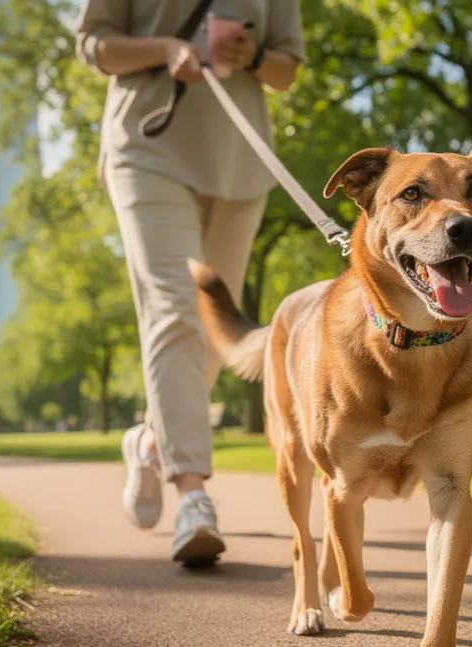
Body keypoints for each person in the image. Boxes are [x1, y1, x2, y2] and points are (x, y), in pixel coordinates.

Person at [75, 0, 304, 563]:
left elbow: (287, 69)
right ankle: (194, 496)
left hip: (240, 161)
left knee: (214, 328)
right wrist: (165, 48)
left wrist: (252, 56)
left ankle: (152, 441)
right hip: (148, 143)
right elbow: (94, 44)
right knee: (176, 307)